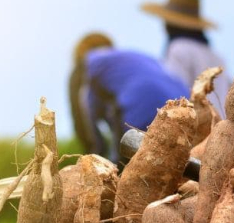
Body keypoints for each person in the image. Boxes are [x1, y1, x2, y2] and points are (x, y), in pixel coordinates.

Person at [69, 32, 189, 161]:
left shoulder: (88, 62)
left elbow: (84, 117)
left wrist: (94, 156)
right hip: (183, 108)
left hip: (143, 107)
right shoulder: (132, 57)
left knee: (128, 165)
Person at [142, 0, 232, 111]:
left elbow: (174, 93)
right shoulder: (216, 56)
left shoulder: (178, 48)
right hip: (222, 124)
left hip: (195, 124)